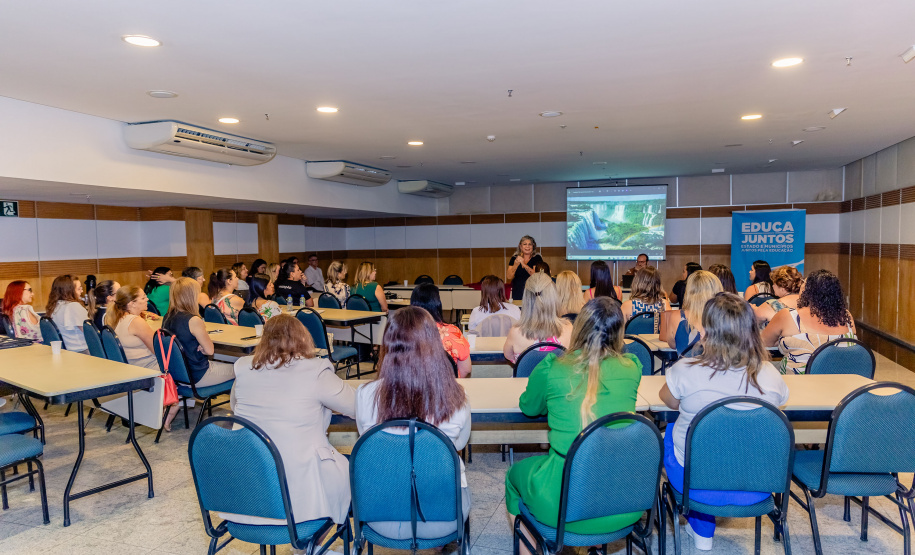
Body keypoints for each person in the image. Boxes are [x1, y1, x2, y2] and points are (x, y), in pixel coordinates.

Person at [659, 292, 789, 550]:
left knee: (670, 431)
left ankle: (701, 525)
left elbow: (669, 402)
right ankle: (702, 526)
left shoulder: (685, 370)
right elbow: (780, 402)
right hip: (758, 484)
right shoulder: (771, 376)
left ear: (707, 331)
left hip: (694, 485)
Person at [505, 297, 642, 535]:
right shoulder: (633, 367)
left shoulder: (552, 367)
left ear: (579, 327)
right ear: (620, 332)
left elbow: (529, 408)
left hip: (561, 506)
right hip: (624, 502)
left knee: (513, 477)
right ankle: (594, 545)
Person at [228, 314, 356, 528]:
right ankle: (313, 545)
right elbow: (354, 406)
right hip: (300, 488)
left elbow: (235, 406)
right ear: (303, 339)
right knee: (353, 468)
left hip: (250, 484)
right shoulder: (316, 370)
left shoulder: (243, 367)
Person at [355, 306, 471, 540]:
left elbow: (369, 443)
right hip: (445, 518)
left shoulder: (365, 395)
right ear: (434, 344)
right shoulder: (456, 397)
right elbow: (459, 443)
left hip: (379, 516)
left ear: (387, 345)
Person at [161, 277, 236, 430]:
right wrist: (202, 346)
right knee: (242, 368)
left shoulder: (167, 318)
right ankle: (240, 417)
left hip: (178, 375)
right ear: (191, 296)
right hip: (199, 375)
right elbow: (210, 350)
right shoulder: (194, 320)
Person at [762, 270, 856, 374]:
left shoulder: (789, 315)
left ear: (806, 291)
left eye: (803, 283)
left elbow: (764, 342)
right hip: (842, 381)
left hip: (799, 383)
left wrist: (783, 340)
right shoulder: (847, 316)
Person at [503, 273, 573, 363]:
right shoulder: (568, 328)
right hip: (556, 377)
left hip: (526, 377)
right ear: (554, 297)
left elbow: (508, 355)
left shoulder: (516, 332)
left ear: (526, 299)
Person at [411, 284, 471, 378]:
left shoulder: (403, 332)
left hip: (414, 390)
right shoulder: (453, 332)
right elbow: (466, 369)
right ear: (437, 303)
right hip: (447, 390)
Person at [664, 270, 723, 354]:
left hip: (685, 366)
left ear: (689, 291)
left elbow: (672, 345)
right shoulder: (726, 318)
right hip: (718, 366)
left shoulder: (676, 317)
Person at [105, 286, 160, 369]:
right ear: (132, 303)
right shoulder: (135, 321)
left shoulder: (117, 319)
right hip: (149, 368)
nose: (147, 299)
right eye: (143, 298)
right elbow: (158, 349)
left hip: (133, 367)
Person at [46, 274, 89, 353]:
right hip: (82, 350)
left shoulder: (54, 306)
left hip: (65, 350)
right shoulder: (74, 306)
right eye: (79, 289)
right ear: (69, 291)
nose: (82, 291)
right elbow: (89, 332)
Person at [620, 267, 670, 332]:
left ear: (636, 283)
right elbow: (669, 332)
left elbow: (618, 333)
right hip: (656, 342)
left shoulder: (627, 305)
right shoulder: (664, 304)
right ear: (658, 284)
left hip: (632, 342)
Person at [507, 235, 543, 301]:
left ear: (533, 246)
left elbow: (536, 275)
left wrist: (524, 264)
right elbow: (509, 276)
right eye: (525, 244)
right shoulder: (514, 258)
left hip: (533, 291)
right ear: (520, 246)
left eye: (530, 244)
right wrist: (516, 264)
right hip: (518, 290)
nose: (527, 246)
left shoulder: (537, 257)